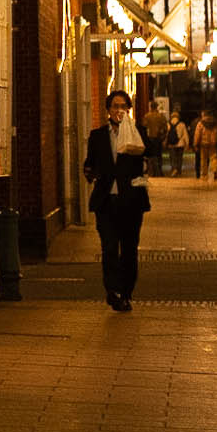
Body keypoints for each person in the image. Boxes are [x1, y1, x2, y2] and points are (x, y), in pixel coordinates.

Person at [85, 89, 151, 310]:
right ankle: (112, 290)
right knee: (109, 248)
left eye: (123, 106)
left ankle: (126, 292)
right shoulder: (98, 136)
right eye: (115, 106)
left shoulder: (137, 132)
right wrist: (90, 172)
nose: (119, 110)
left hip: (131, 201)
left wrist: (135, 137)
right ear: (108, 110)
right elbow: (91, 162)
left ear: (129, 110)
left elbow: (149, 155)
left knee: (129, 249)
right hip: (106, 201)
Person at [193, 112, 217, 179]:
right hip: (213, 143)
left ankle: (204, 174)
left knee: (204, 160)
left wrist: (195, 144)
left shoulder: (201, 123)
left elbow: (197, 134)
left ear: (203, 115)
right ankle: (215, 170)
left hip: (204, 143)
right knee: (214, 158)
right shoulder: (215, 123)